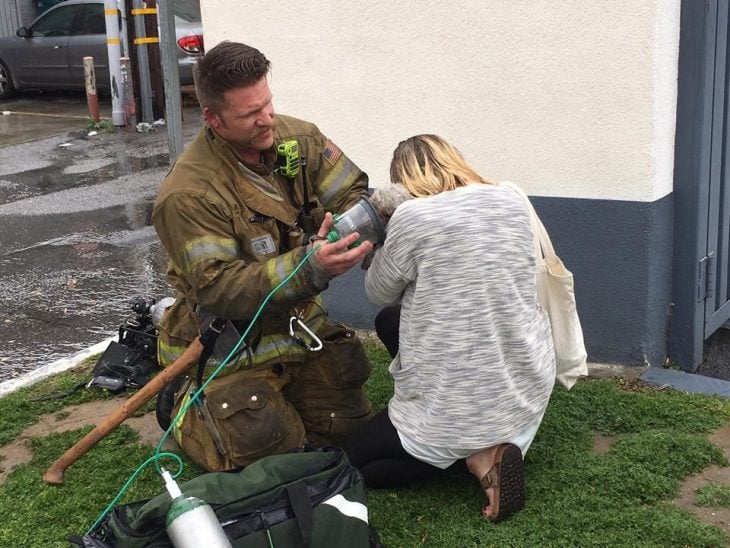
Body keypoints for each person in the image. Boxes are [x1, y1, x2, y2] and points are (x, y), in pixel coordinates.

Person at [151, 41, 375, 472]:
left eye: (267, 103)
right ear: (214, 119)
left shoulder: (300, 138)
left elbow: (354, 193)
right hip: (227, 344)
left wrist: (351, 227)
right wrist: (307, 267)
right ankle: (186, 407)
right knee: (273, 460)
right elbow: (218, 288)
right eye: (250, 114)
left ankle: (284, 401)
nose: (267, 119)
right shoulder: (188, 194)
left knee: (351, 439)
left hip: (298, 328)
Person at [343, 134, 556, 522]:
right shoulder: (511, 198)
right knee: (390, 324)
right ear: (454, 160)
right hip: (524, 387)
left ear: (401, 182)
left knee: (355, 463)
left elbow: (378, 290)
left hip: (453, 409)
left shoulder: (413, 216)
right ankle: (492, 442)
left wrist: (381, 244)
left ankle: (474, 456)